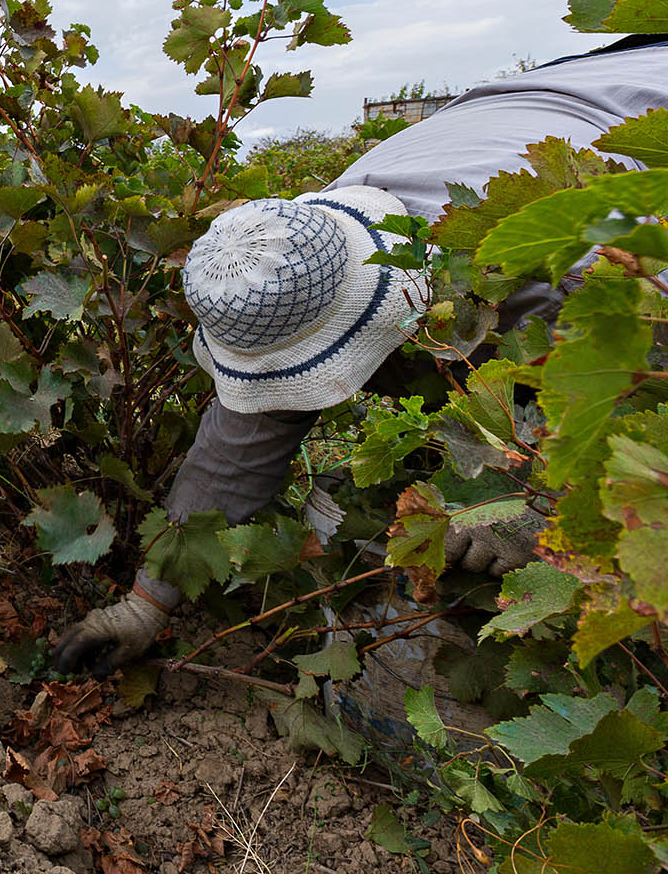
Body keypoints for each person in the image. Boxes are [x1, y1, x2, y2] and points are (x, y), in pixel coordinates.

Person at [52, 34, 668, 674]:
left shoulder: (585, 271)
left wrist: (545, 498)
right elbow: (234, 453)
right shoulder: (290, 266)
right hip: (557, 93)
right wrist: (146, 604)